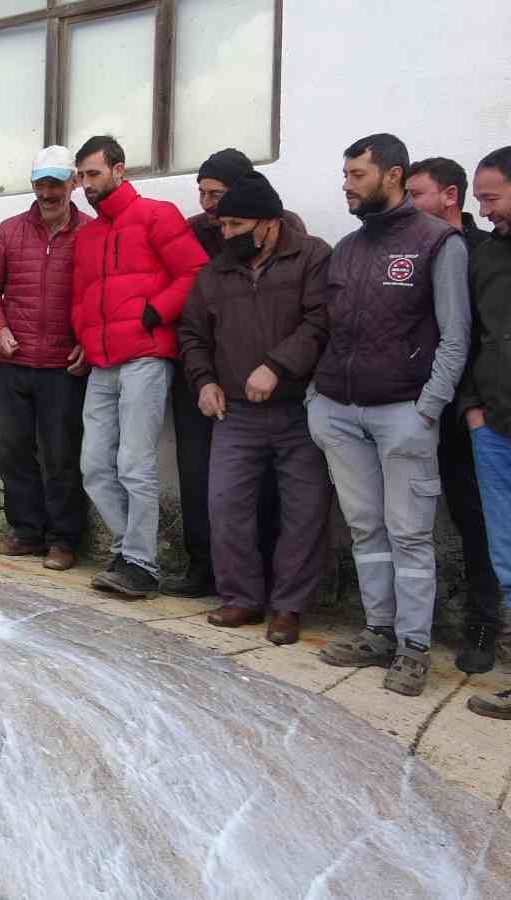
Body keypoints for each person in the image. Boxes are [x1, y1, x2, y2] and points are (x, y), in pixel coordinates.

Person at [311, 134, 470, 696]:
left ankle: (414, 648)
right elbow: (329, 329)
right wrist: (318, 399)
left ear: (393, 175)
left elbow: (456, 337)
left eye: (357, 174)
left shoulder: (438, 242)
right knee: (365, 527)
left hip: (404, 413)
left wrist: (427, 410)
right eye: (346, 174)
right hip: (339, 410)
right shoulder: (348, 248)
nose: (347, 184)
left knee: (409, 534)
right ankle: (378, 631)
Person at [178, 171, 333, 646]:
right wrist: (204, 382)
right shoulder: (216, 272)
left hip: (299, 409)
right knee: (226, 505)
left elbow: (321, 320)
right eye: (222, 226)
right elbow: (192, 335)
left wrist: (277, 366)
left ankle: (288, 606)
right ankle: (241, 597)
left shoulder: (312, 257)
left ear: (268, 224)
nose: (226, 235)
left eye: (236, 226)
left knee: (305, 511)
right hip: (236, 415)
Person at [71, 135, 209, 598]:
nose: (86, 185)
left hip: (146, 358)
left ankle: (141, 565)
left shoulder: (157, 215)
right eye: (82, 177)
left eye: (94, 174)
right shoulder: (88, 235)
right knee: (93, 465)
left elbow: (195, 273)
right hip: (102, 363)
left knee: (134, 464)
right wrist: (86, 338)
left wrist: (155, 312)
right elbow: (82, 298)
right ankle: (128, 551)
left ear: (119, 170)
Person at [168, 149, 310, 597]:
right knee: (207, 484)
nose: (212, 209)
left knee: (276, 494)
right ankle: (210, 572)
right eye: (204, 194)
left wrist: (277, 365)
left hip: (277, 390)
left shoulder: (295, 241)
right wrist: (202, 376)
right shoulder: (196, 238)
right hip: (208, 377)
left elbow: (310, 316)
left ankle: (273, 588)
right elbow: (187, 311)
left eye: (219, 196)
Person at [406, 156, 502, 672]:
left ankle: (484, 625)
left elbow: (479, 338)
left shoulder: (485, 251)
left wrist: (470, 405)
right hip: (424, 408)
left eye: (416, 193)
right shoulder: (410, 249)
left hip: (476, 412)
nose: (408, 203)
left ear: (448, 196)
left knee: (481, 520)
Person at [0, 145, 89, 572]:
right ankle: (25, 532)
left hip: (64, 365)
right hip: (11, 362)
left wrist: (89, 342)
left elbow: (100, 293)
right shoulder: (9, 231)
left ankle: (63, 540)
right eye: (41, 184)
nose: (47, 193)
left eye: (56, 184)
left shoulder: (90, 233)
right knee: (14, 451)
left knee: (61, 454)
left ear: (73, 184)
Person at [461, 147, 511, 718]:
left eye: (491, 197)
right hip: (494, 428)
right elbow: (470, 334)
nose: (483, 207)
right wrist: (473, 409)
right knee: (507, 557)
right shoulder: (486, 257)